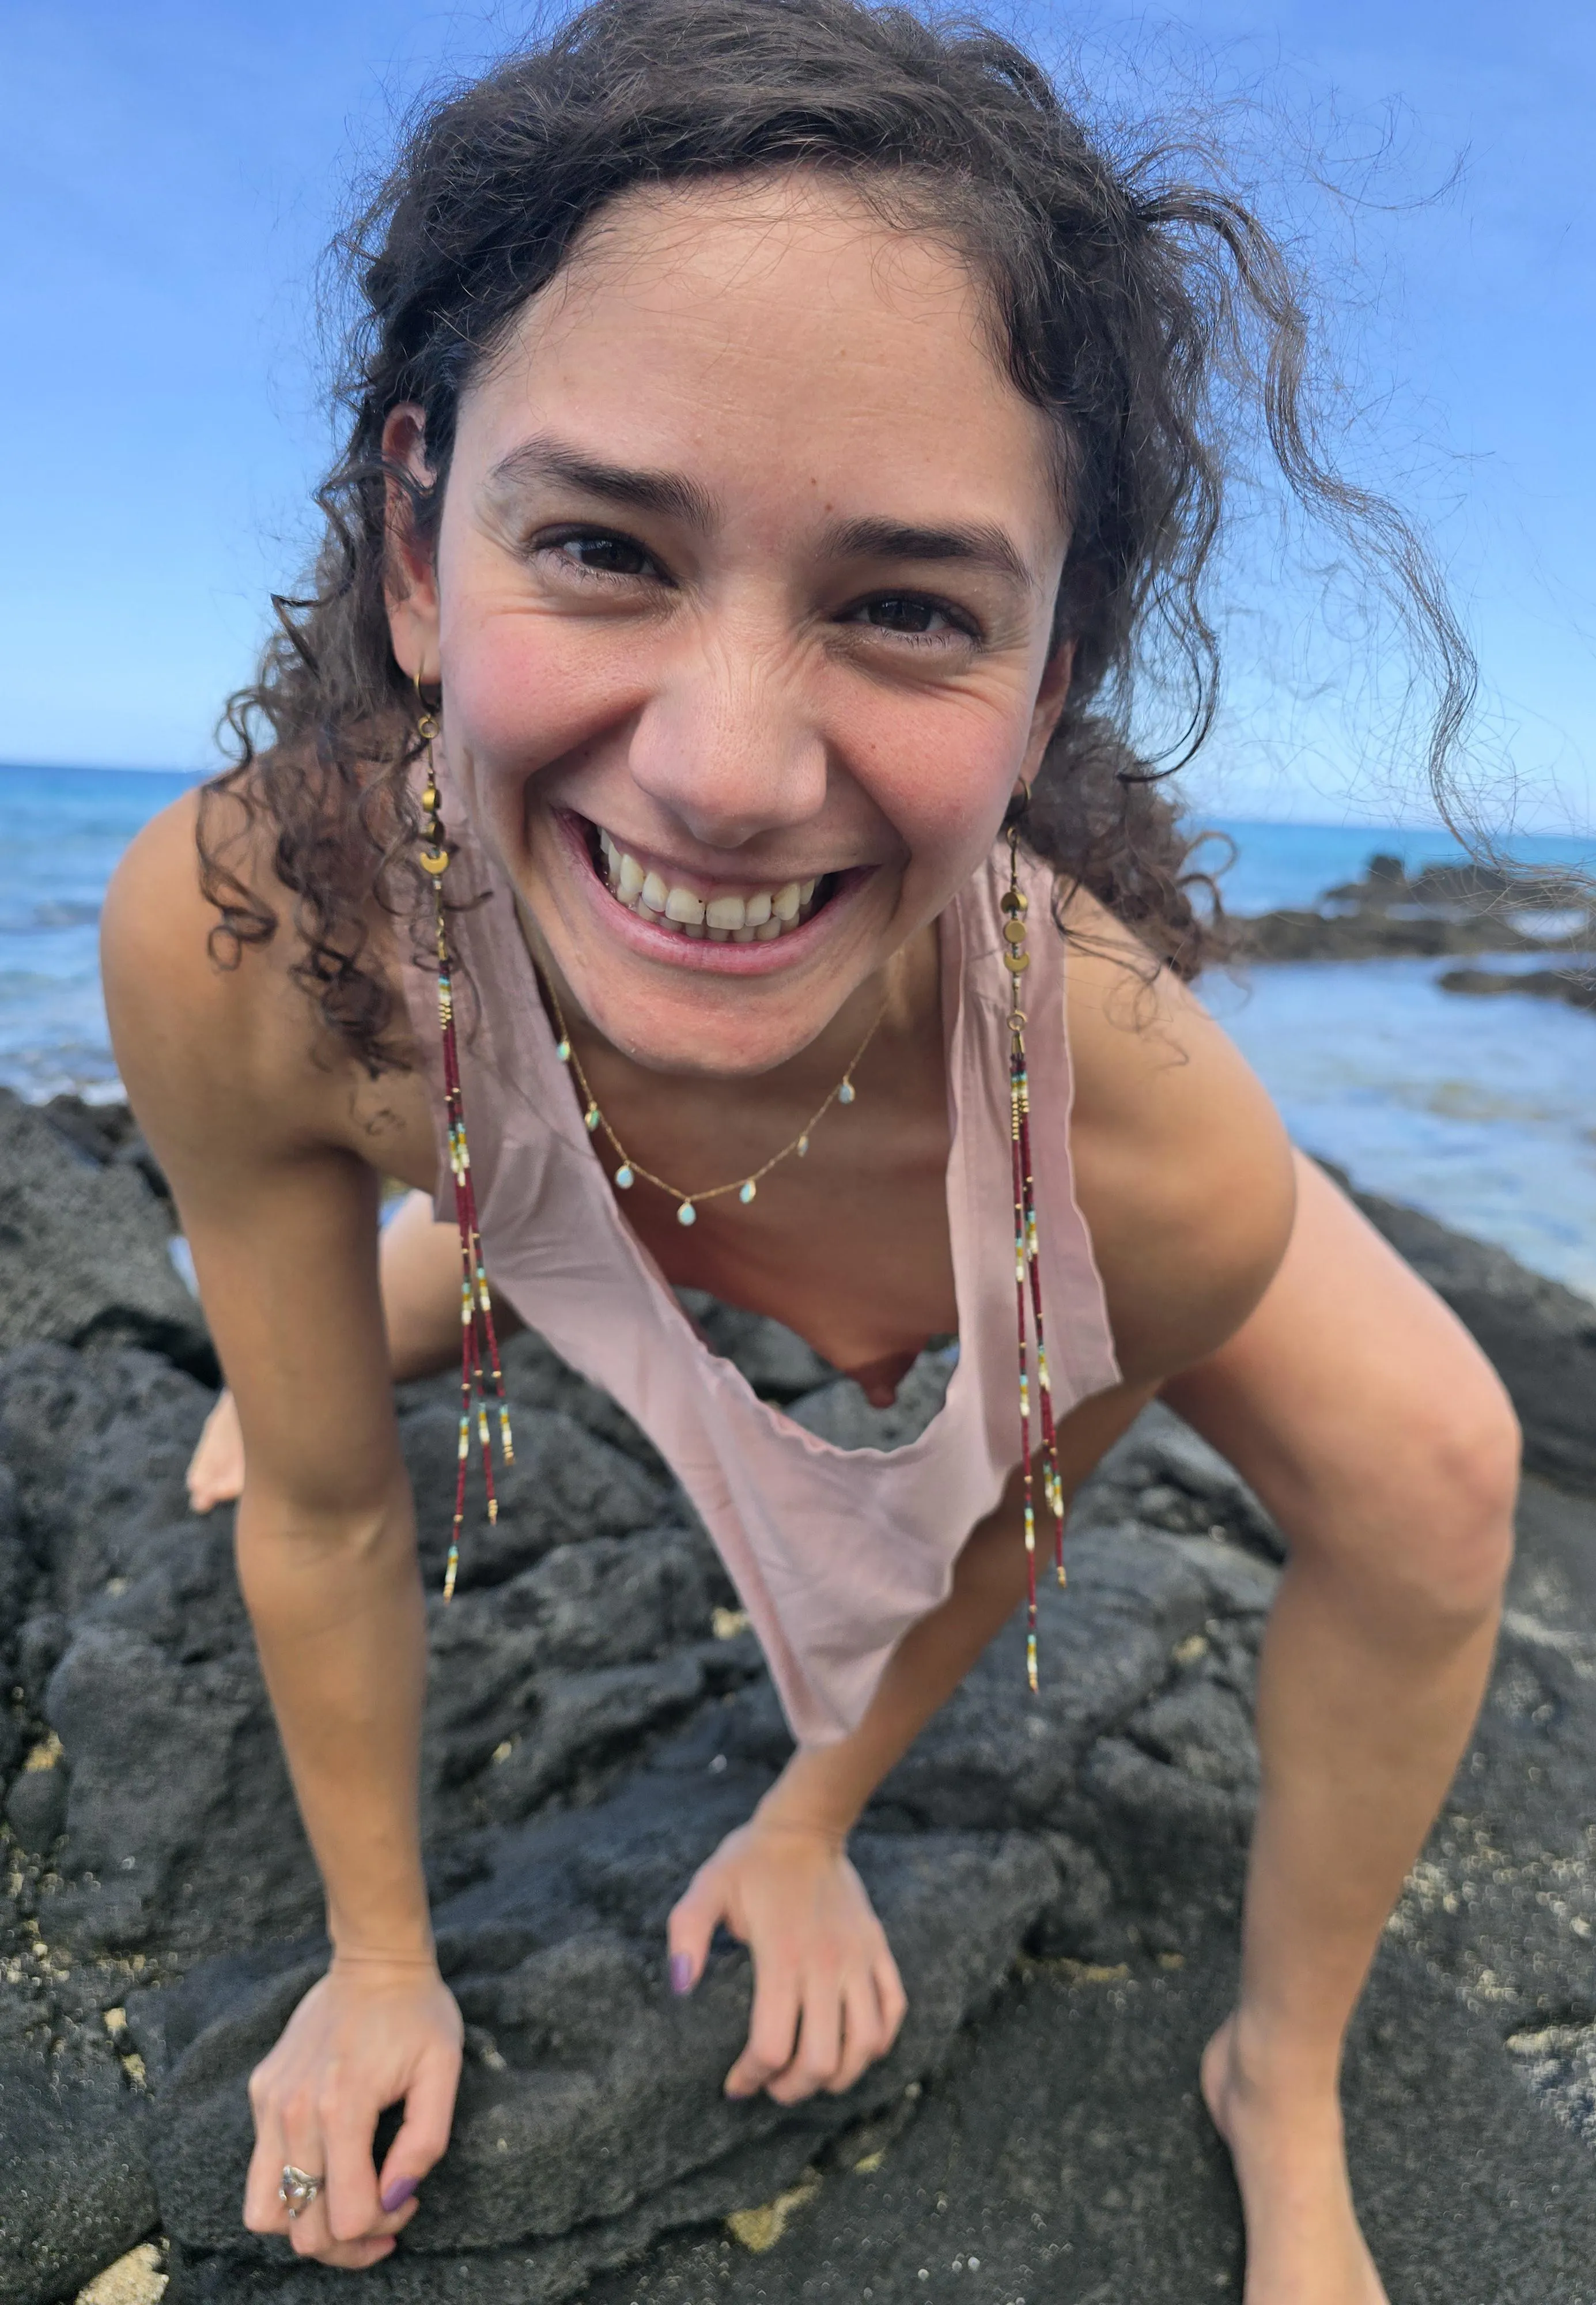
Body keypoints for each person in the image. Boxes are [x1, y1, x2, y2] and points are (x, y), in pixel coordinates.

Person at [103, 4, 1519, 2297]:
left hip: (974, 1130)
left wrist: (808, 1818)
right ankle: (441, 1247)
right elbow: (334, 1502)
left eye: (906, 606)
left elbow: (1012, 1496)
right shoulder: (246, 934)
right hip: (512, 1058)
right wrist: (380, 1957)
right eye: (600, 544)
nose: (731, 769)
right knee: (414, 1240)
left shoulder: (1156, 1162)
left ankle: (1288, 2072)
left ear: (1049, 684)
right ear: (416, 542)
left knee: (1448, 1471)